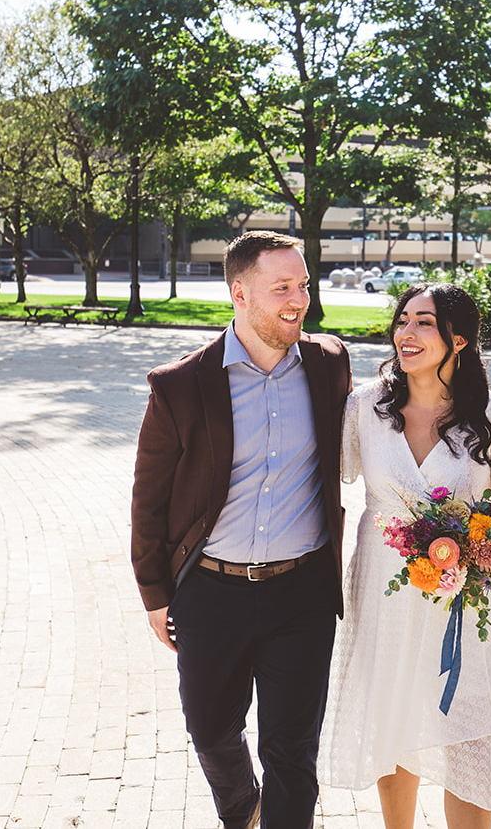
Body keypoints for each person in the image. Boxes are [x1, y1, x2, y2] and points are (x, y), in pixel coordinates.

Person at [131, 231, 351, 829]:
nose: (298, 300)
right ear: (240, 293)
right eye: (282, 288)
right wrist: (155, 594)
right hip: (210, 590)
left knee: (293, 750)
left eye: (303, 285)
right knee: (209, 729)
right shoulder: (180, 385)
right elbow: (149, 500)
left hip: (301, 591)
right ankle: (243, 810)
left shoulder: (329, 364)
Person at [323, 283, 491, 826]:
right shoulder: (365, 408)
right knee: (392, 721)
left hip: (463, 601)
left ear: (458, 339)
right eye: (403, 320)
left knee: (469, 734)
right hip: (384, 591)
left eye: (424, 322)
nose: (407, 332)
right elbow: (321, 481)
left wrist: (483, 546)